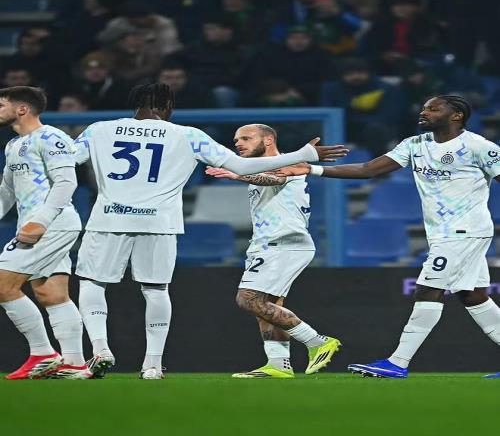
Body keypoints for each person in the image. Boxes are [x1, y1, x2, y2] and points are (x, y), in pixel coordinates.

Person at [72, 82, 346, 380]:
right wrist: (305, 153)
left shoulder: (99, 129)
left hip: (108, 218)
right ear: (167, 107)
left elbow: (66, 160)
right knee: (156, 290)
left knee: (92, 283)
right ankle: (152, 365)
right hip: (160, 223)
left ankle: (100, 349)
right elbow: (240, 165)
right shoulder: (188, 135)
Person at [276, 95, 500, 378]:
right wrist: (312, 169)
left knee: (427, 290)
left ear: (456, 116)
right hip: (442, 233)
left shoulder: (479, 147)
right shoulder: (415, 144)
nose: (424, 111)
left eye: (433, 108)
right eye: (424, 107)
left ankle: (398, 362)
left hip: (465, 230)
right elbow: (368, 169)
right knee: (472, 295)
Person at [206, 124, 345, 378]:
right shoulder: (260, 167)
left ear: (268, 140)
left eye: (246, 138)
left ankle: (317, 342)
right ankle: (278, 364)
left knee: (248, 299)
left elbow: (275, 179)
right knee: (267, 307)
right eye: (236, 140)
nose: (238, 143)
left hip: (284, 242)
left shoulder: (289, 163)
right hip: (267, 243)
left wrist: (237, 175)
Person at [0, 86, 90, 379]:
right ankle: (75, 363)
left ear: (21, 109)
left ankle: (43, 353)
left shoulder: (51, 137)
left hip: (52, 224)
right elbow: (6, 191)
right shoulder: (14, 144)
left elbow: (66, 182)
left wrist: (41, 221)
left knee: (3, 285)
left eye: (1, 105)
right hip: (35, 224)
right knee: (51, 293)